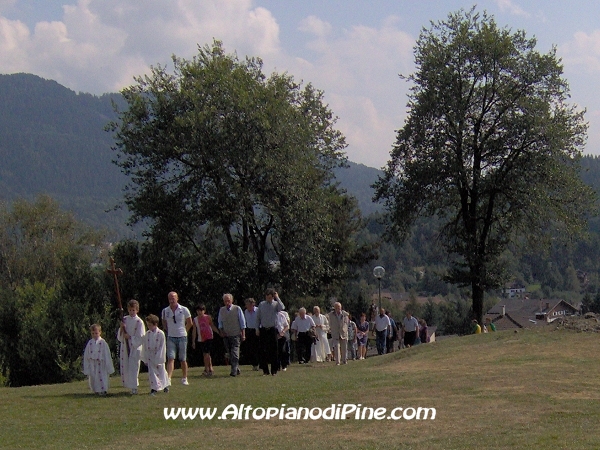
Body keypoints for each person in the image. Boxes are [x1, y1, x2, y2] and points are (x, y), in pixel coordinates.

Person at [161, 291, 193, 386]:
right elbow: (164, 323)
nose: (172, 300)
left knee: (183, 358)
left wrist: (184, 331)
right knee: (171, 357)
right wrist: (169, 330)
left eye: (173, 298)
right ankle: (168, 378)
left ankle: (184, 378)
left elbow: (190, 322)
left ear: (177, 298)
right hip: (171, 337)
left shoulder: (184, 309)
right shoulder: (165, 311)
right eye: (170, 298)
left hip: (182, 337)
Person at [117, 299, 145, 395]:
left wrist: (130, 338)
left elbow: (141, 337)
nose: (132, 312)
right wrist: (121, 328)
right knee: (126, 365)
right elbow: (120, 336)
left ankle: (134, 387)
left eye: (133, 310)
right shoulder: (125, 319)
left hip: (134, 347)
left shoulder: (139, 322)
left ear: (137, 310)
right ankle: (128, 384)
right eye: (130, 310)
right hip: (126, 346)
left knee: (134, 366)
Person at [256, 288, 285, 376]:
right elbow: (258, 317)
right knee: (263, 350)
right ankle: (265, 370)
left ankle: (274, 371)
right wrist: (257, 328)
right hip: (264, 329)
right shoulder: (261, 304)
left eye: (270, 297)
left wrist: (277, 297)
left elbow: (282, 307)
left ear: (273, 297)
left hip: (273, 329)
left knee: (274, 350)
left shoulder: (276, 304)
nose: (269, 299)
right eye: (267, 297)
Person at [218, 293, 246, 377]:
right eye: (225, 301)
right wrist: (221, 331)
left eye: (228, 301)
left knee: (235, 353)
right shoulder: (221, 310)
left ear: (232, 300)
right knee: (230, 354)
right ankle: (236, 368)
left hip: (236, 334)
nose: (227, 303)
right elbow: (220, 322)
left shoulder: (237, 308)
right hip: (226, 335)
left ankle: (233, 371)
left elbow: (242, 322)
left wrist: (243, 334)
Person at [83, 324, 114, 396]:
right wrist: (87, 365)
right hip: (93, 363)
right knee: (93, 377)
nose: (94, 335)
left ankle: (103, 390)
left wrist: (109, 366)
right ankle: (95, 390)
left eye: (96, 333)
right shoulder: (90, 343)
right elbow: (86, 355)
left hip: (101, 363)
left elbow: (107, 354)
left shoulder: (103, 342)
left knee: (102, 376)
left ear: (100, 332)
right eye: (93, 333)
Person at [142, 314, 169, 395]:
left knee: (161, 371)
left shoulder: (161, 334)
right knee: (152, 372)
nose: (148, 327)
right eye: (148, 325)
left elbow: (162, 346)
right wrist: (145, 357)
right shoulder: (147, 334)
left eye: (150, 325)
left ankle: (165, 386)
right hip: (150, 355)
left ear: (155, 324)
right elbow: (145, 346)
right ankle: (154, 388)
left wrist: (159, 357)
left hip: (158, 354)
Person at [192, 304, 219, 377]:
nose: (200, 312)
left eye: (201, 310)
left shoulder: (208, 317)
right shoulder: (195, 320)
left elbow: (212, 325)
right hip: (201, 338)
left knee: (206, 353)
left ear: (204, 311)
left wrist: (218, 332)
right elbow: (194, 330)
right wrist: (193, 341)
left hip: (209, 337)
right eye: (198, 311)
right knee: (205, 354)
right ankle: (210, 368)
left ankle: (206, 369)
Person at [243, 298, 260, 371]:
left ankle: (260, 363)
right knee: (250, 348)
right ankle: (254, 364)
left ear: (252, 304)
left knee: (258, 348)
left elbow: (261, 320)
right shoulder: (246, 311)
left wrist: (258, 329)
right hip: (249, 330)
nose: (247, 306)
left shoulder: (258, 310)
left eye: (248, 305)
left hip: (257, 330)